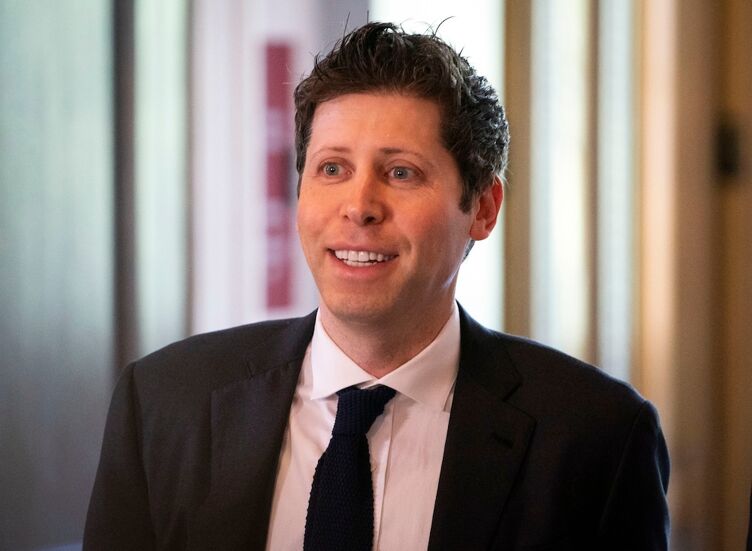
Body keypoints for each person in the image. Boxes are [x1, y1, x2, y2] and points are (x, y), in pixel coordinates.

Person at [84, 22, 670, 550]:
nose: (359, 207)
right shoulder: (164, 403)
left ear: (483, 208)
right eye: (332, 169)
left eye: (401, 173)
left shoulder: (599, 438)